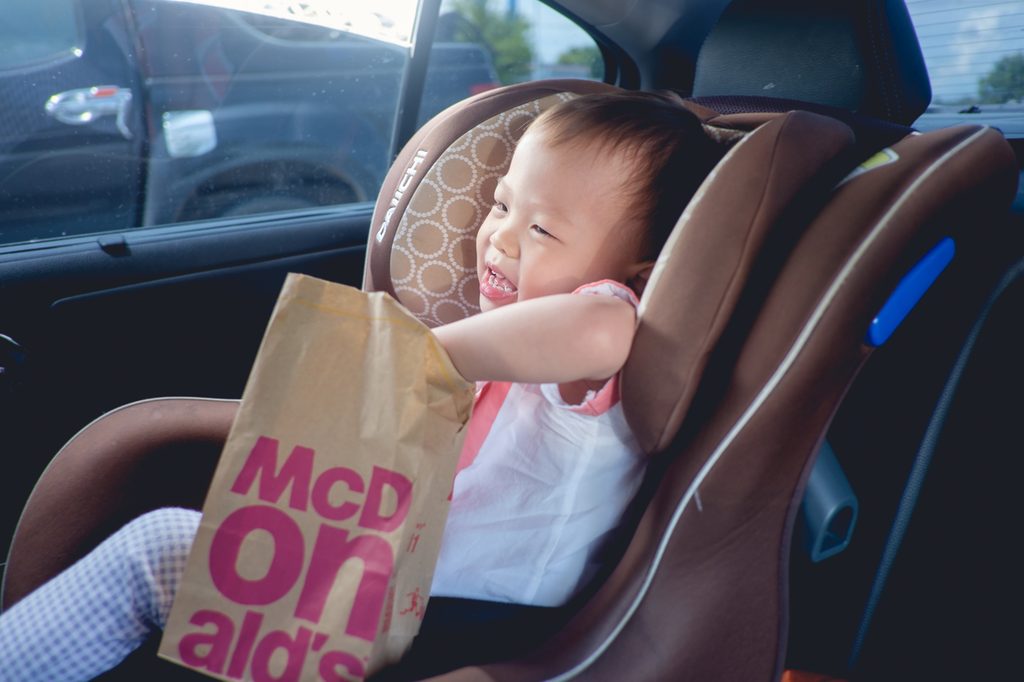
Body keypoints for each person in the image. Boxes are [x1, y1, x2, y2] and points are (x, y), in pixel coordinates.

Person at [0, 91, 722, 680]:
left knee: (156, 550)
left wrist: (408, 353)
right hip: (412, 582)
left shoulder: (602, 330)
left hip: (477, 615)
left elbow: (598, 328)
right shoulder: (530, 333)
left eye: (544, 231)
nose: (500, 238)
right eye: (502, 206)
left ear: (637, 275)